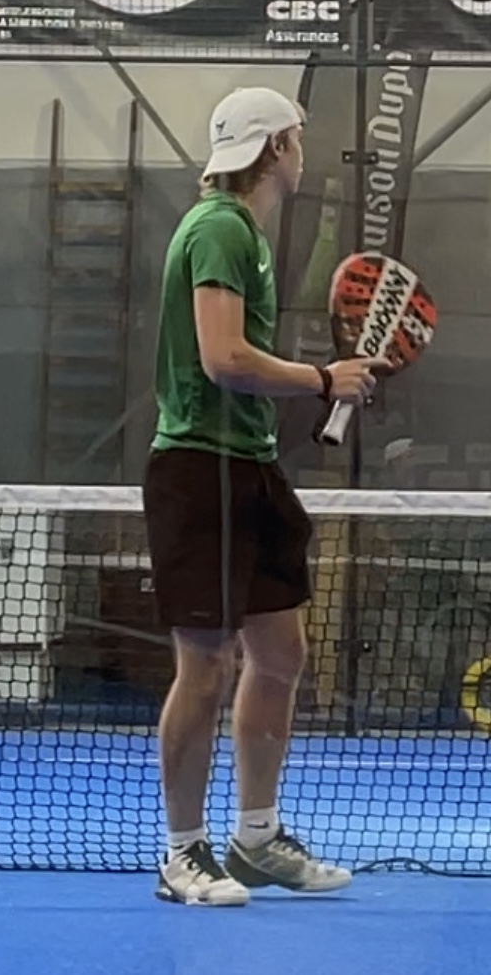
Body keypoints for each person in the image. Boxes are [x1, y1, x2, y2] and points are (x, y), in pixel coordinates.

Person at [144, 86, 383, 906]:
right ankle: (183, 854)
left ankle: (256, 838)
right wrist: (321, 378)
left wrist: (316, 382)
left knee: (281, 656)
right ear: (276, 146)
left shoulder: (243, 233)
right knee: (206, 666)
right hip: (199, 469)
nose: (302, 153)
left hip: (249, 463)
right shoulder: (218, 227)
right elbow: (223, 359)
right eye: (297, 139)